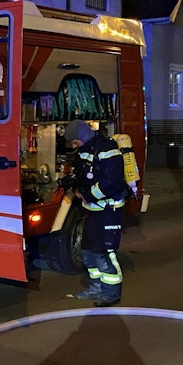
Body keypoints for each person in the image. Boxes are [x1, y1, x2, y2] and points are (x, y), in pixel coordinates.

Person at [63, 120, 128, 307]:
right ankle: (96, 288)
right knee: (88, 252)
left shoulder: (108, 150)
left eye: (76, 142)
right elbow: (83, 177)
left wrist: (88, 194)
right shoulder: (83, 152)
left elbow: (112, 182)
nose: (74, 146)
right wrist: (75, 188)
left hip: (109, 210)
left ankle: (111, 294)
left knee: (104, 253)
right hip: (92, 211)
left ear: (83, 136)